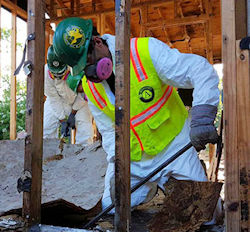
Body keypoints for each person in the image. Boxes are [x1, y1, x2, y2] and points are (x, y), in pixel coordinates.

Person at [53, 17, 221, 222]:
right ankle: (148, 190)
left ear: (98, 42)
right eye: (82, 68)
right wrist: (117, 166)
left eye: (88, 62)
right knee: (110, 209)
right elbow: (107, 132)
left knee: (207, 215)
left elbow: (200, 70)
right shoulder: (91, 88)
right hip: (134, 162)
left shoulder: (144, 51)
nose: (89, 72)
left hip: (175, 149)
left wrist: (202, 117)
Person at [44, 45, 94, 145]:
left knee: (85, 131)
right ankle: (47, 156)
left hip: (80, 102)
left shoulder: (79, 66)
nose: (59, 77)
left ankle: (83, 157)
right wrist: (62, 120)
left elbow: (84, 93)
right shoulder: (46, 72)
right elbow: (53, 98)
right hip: (59, 101)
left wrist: (73, 113)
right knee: (46, 128)